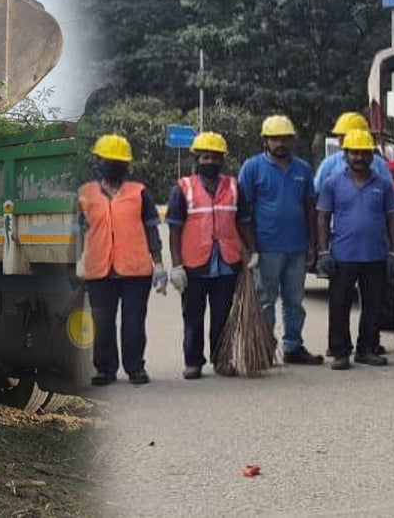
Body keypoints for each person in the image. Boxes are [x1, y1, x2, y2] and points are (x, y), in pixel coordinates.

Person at [78, 134, 166, 386]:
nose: (114, 165)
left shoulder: (140, 193)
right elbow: (76, 233)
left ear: (127, 165)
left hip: (135, 271)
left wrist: (158, 264)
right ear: (97, 161)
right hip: (99, 272)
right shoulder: (86, 195)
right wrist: (74, 263)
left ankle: (135, 368)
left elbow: (151, 229)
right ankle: (104, 369)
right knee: (102, 325)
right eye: (109, 160)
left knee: (134, 324)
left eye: (119, 162)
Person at [165, 131, 253, 379]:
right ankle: (193, 362)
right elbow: (174, 228)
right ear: (196, 159)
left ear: (222, 160)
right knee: (193, 316)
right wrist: (177, 265)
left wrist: (253, 252)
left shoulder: (235, 186)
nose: (210, 162)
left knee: (222, 317)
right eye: (205, 157)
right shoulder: (182, 189)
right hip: (194, 264)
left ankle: (222, 359)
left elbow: (244, 222)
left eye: (215, 158)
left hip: (227, 262)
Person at [237, 115, 323, 365]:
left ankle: (293, 346)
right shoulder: (252, 168)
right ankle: (264, 347)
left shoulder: (303, 169)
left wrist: (312, 243)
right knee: (265, 300)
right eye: (275, 139)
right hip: (265, 248)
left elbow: (310, 208)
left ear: (293, 141)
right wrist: (248, 247)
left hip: (296, 246)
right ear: (265, 141)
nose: (281, 144)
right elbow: (243, 211)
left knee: (294, 301)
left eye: (286, 138)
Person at [316, 129, 394, 370]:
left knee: (373, 306)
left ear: (372, 156)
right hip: (343, 255)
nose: (359, 158)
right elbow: (322, 217)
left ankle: (368, 349)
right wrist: (323, 252)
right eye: (354, 153)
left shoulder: (383, 185)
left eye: (364, 153)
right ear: (345, 155)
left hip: (375, 255)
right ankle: (340, 352)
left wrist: (393, 252)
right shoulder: (332, 184)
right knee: (339, 306)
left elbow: (392, 217)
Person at [313, 111, 393, 194]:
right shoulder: (329, 164)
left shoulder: (379, 165)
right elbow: (316, 191)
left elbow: (390, 195)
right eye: (339, 135)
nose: (339, 139)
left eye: (343, 136)